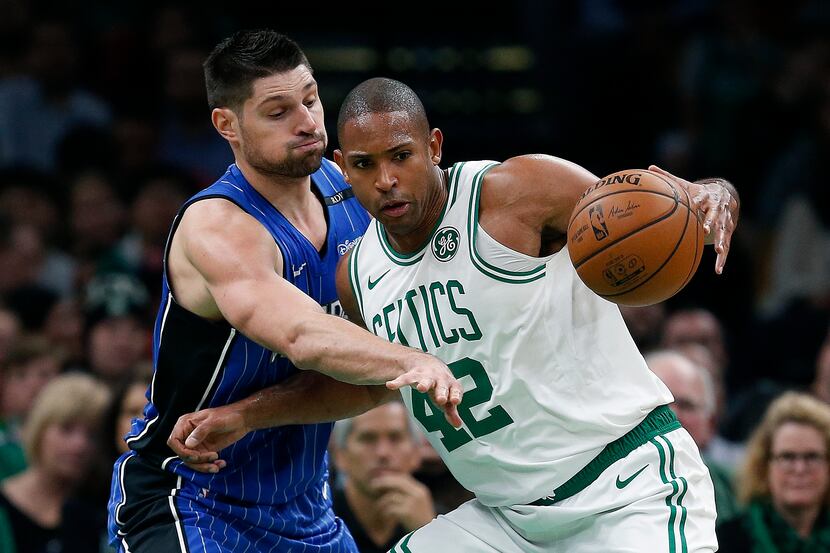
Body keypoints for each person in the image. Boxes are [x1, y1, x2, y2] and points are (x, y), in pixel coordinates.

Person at [170, 77, 740, 552]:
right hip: (506, 520)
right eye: (366, 165)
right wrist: (246, 415)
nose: (387, 179)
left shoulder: (518, 192)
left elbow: (646, 207)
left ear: (435, 147)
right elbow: (367, 386)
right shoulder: (359, 273)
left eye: (402, 156)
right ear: (342, 168)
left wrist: (713, 191)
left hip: (628, 487)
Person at [108, 32, 462, 553]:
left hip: (306, 505)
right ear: (227, 124)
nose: (307, 122)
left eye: (311, 99)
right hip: (192, 496)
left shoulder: (350, 191)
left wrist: (248, 414)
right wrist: (414, 359)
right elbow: (303, 336)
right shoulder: (218, 225)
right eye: (278, 112)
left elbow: (363, 384)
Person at [0, 372, 110, 553]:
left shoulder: (103, 510)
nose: (80, 445)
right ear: (39, 429)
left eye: (92, 435)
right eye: (66, 429)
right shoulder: (4, 507)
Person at [717, 392, 830, 551]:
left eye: (812, 457)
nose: (799, 469)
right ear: (764, 464)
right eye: (787, 457)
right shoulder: (726, 540)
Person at [646, 349, 739, 523]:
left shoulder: (737, 490)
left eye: (685, 405)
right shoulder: (600, 485)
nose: (671, 415)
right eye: (659, 404)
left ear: (710, 424)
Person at [330, 401, 436, 553]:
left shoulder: (444, 522)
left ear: (416, 453)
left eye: (395, 438)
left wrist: (429, 533)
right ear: (340, 455)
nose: (383, 453)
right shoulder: (318, 524)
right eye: (368, 438)